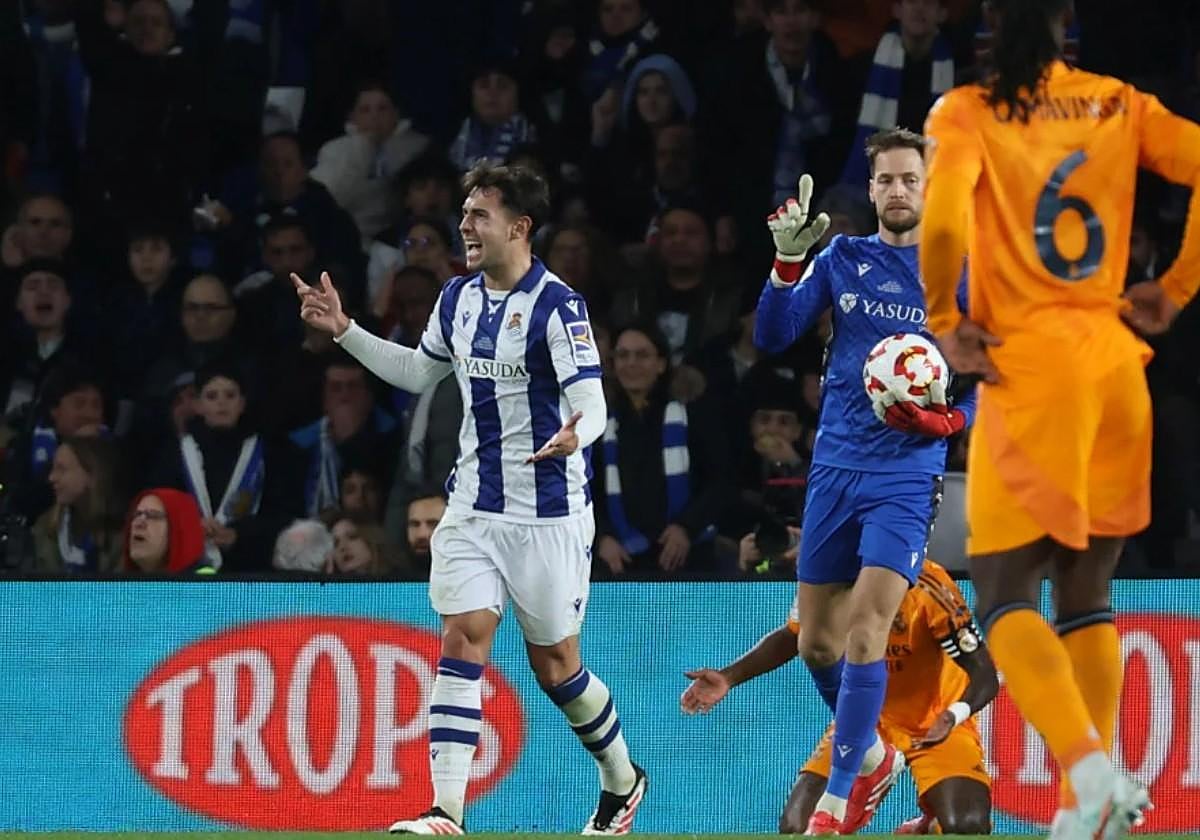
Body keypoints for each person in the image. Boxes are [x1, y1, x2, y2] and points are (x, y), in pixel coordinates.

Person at [293, 162, 647, 836]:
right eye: (463, 214)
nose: (464, 225)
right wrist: (346, 329)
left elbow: (593, 400)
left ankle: (622, 778)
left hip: (548, 515)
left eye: (478, 215)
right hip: (474, 507)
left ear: (519, 226)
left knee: (557, 669)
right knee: (463, 636)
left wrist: (581, 432)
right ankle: (445, 812)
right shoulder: (456, 298)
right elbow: (418, 371)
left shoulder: (557, 305)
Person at [918, 1, 1200, 836]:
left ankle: (1086, 769)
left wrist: (942, 318)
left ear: (987, 32)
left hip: (1032, 366)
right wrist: (1177, 288)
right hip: (1116, 365)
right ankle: (1090, 805)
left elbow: (940, 222)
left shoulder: (964, 110)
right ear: (1065, 30)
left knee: (1004, 592)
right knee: (1086, 593)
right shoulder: (1117, 101)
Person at [754, 128, 976, 835]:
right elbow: (773, 333)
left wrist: (954, 421)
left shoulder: (960, 276)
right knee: (819, 642)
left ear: (929, 188)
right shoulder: (844, 258)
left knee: (867, 631)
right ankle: (874, 750)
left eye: (911, 179)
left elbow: (999, 376)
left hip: (906, 475)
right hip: (836, 467)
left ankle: (838, 795)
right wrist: (788, 265)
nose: (899, 191)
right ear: (872, 188)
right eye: (887, 180)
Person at [681, 559, 997, 835]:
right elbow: (795, 637)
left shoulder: (928, 584)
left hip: (934, 722)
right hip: (862, 720)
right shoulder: (826, 576)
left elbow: (983, 672)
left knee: (965, 826)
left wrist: (953, 715)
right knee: (797, 827)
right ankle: (877, 757)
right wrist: (729, 676)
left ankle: (928, 825)